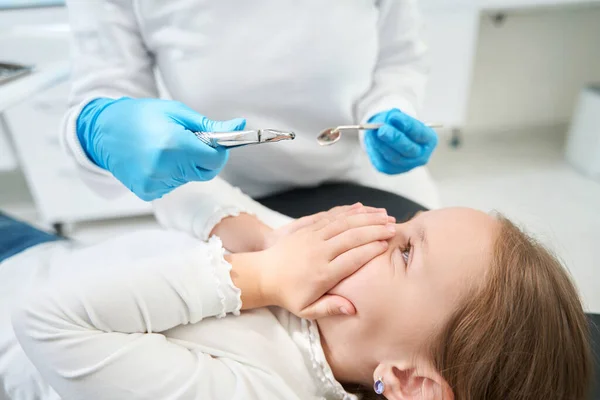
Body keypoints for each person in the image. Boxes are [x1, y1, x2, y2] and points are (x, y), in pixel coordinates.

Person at [1, 190, 592, 399]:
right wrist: (256, 232)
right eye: (409, 218)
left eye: (407, 249)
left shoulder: (262, 387)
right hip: (37, 252)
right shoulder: (313, 273)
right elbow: (174, 193)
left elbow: (47, 319)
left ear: (410, 382)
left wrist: (254, 276)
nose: (383, 227)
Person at [62, 0, 441, 210]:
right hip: (218, 194)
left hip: (363, 174)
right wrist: (99, 129)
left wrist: (390, 109)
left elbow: (399, 59)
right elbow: (106, 83)